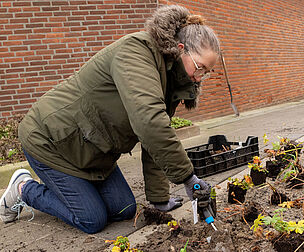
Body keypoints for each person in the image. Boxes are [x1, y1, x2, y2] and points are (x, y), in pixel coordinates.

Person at [0, 5, 219, 234]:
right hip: (52, 139)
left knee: (123, 209)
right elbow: (150, 122)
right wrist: (187, 177)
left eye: (206, 72)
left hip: (92, 150)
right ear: (181, 48)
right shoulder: (137, 51)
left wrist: (159, 198)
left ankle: (75, 189)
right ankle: (24, 189)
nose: (198, 77)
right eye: (199, 67)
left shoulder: (171, 78)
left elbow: (153, 139)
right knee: (92, 220)